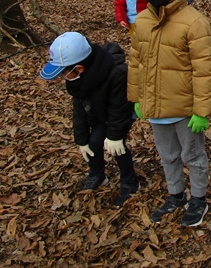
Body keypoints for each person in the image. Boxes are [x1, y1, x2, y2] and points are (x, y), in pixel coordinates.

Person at [128, 0, 211, 227]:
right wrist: (137, 98)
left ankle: (198, 198)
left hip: (185, 110)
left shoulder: (194, 22)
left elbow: (204, 71)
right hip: (156, 108)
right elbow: (136, 61)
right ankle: (175, 194)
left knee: (193, 156)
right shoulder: (142, 21)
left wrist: (202, 111)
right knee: (168, 156)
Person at [39, 32, 139, 206]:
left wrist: (114, 136)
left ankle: (130, 181)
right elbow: (80, 110)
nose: (63, 77)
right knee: (93, 142)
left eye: (63, 73)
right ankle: (97, 173)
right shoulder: (77, 81)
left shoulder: (117, 74)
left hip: (120, 114)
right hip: (101, 113)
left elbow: (119, 110)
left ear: (79, 68)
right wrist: (81, 139)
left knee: (117, 147)